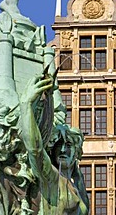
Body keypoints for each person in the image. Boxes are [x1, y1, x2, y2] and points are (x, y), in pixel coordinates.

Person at [19, 75, 89, 214]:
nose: (62, 149)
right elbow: (36, 150)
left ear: (77, 153)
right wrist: (25, 104)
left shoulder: (76, 187)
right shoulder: (51, 178)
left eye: (68, 145)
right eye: (58, 145)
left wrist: (77, 174)